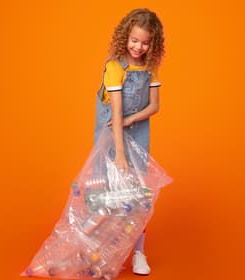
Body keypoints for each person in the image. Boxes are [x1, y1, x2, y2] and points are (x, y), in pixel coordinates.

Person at [92, 8, 165, 276]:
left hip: (137, 134)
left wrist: (129, 120)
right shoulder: (114, 68)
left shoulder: (150, 68)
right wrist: (119, 154)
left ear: (153, 44)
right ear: (126, 36)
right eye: (134, 40)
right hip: (111, 138)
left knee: (137, 196)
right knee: (107, 193)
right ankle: (101, 252)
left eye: (145, 43)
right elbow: (115, 110)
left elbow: (155, 106)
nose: (138, 47)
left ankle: (138, 252)